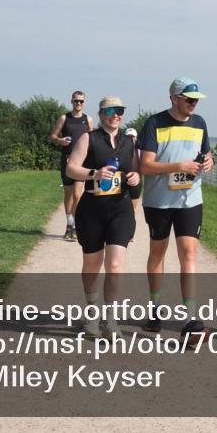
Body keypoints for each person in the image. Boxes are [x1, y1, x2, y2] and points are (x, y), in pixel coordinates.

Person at [137, 77, 213, 339]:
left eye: (196, 100)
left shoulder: (200, 124)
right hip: (159, 202)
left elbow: (207, 153)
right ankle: (155, 309)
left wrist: (208, 163)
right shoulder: (154, 123)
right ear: (174, 98)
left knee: (188, 254)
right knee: (157, 253)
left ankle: (190, 317)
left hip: (190, 200)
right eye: (189, 99)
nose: (194, 104)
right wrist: (178, 166)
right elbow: (145, 166)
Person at [65, 96, 141, 339]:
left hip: (120, 209)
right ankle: (91, 313)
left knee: (116, 265)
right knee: (92, 265)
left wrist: (136, 178)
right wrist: (94, 173)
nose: (115, 115)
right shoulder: (90, 137)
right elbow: (71, 168)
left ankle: (111, 320)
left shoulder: (129, 142)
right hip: (92, 210)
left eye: (119, 110)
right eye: (109, 111)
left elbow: (136, 171)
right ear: (100, 114)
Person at [50, 90, 91, 241]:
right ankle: (69, 225)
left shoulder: (88, 120)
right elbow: (53, 136)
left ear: (84, 103)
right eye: (76, 101)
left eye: (81, 101)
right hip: (66, 162)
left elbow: (92, 140)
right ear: (71, 101)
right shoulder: (64, 118)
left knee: (77, 194)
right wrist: (60, 141)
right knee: (68, 194)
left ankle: (76, 225)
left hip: (81, 163)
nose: (78, 104)